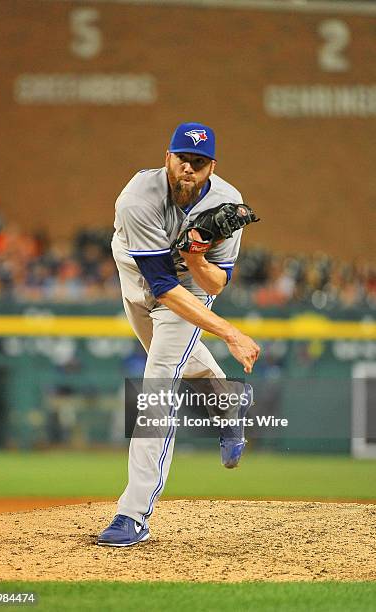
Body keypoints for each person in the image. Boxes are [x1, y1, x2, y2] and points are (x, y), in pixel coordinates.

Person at [97, 122, 260, 547]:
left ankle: (133, 514)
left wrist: (195, 254)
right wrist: (230, 334)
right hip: (139, 282)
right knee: (179, 362)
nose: (189, 167)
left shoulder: (228, 201)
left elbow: (213, 285)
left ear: (212, 166)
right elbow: (160, 284)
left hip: (187, 290)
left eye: (199, 161)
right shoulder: (138, 196)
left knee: (157, 385)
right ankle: (228, 399)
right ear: (167, 157)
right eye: (182, 158)